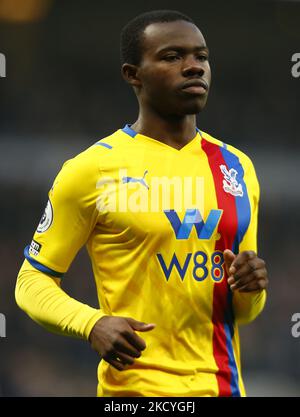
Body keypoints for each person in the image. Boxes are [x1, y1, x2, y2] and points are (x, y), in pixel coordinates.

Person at [15, 10, 268, 397]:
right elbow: (31, 280)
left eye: (201, 57)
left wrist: (251, 289)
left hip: (222, 389)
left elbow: (244, 311)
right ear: (133, 74)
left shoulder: (237, 167)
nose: (193, 67)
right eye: (172, 57)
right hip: (131, 395)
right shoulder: (91, 170)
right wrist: (91, 323)